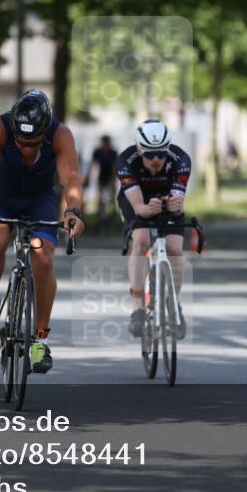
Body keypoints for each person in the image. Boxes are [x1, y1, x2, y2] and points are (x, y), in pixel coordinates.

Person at [0, 89, 85, 374]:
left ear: (45, 133)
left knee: (43, 256)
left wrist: (73, 209)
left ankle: (40, 339)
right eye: (22, 143)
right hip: (3, 195)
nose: (27, 149)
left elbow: (70, 176)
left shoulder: (61, 135)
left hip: (39, 199)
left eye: (34, 143)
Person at [118, 119, 192, 340]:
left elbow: (179, 200)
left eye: (161, 153)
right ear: (140, 150)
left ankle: (173, 303)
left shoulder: (181, 160)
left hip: (167, 199)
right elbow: (139, 207)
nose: (156, 159)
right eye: (150, 154)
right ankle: (137, 307)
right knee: (141, 240)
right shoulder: (126, 160)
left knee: (175, 249)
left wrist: (176, 206)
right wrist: (146, 208)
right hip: (136, 201)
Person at [85, 135, 119, 230]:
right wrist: (88, 177)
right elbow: (93, 165)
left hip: (110, 178)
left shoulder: (113, 153)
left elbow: (114, 168)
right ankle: (100, 222)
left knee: (111, 200)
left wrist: (113, 182)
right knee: (100, 201)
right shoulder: (97, 152)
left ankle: (111, 221)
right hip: (101, 179)